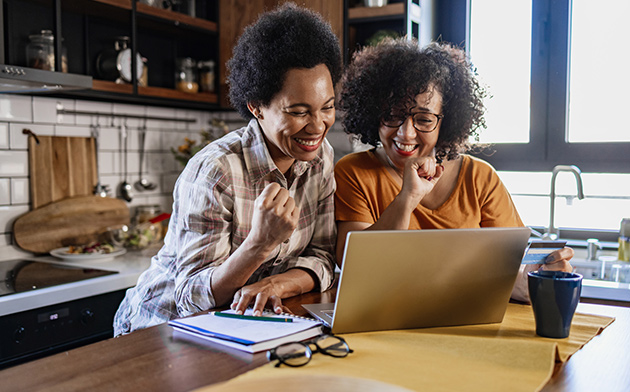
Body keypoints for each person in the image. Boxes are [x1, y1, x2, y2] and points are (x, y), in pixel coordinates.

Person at [114, 3, 342, 335]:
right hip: (158, 330)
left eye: (328, 107)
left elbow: (322, 256)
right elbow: (190, 298)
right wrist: (260, 244)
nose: (318, 125)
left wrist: (278, 285)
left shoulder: (320, 158)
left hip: (238, 325)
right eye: (298, 111)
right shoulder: (215, 170)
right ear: (256, 107)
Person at [334, 38, 573, 302]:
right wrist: (407, 199)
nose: (406, 132)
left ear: (445, 123)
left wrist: (533, 280)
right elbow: (358, 268)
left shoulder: (480, 179)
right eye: (392, 115)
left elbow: (511, 269)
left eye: (424, 119)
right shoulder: (353, 172)